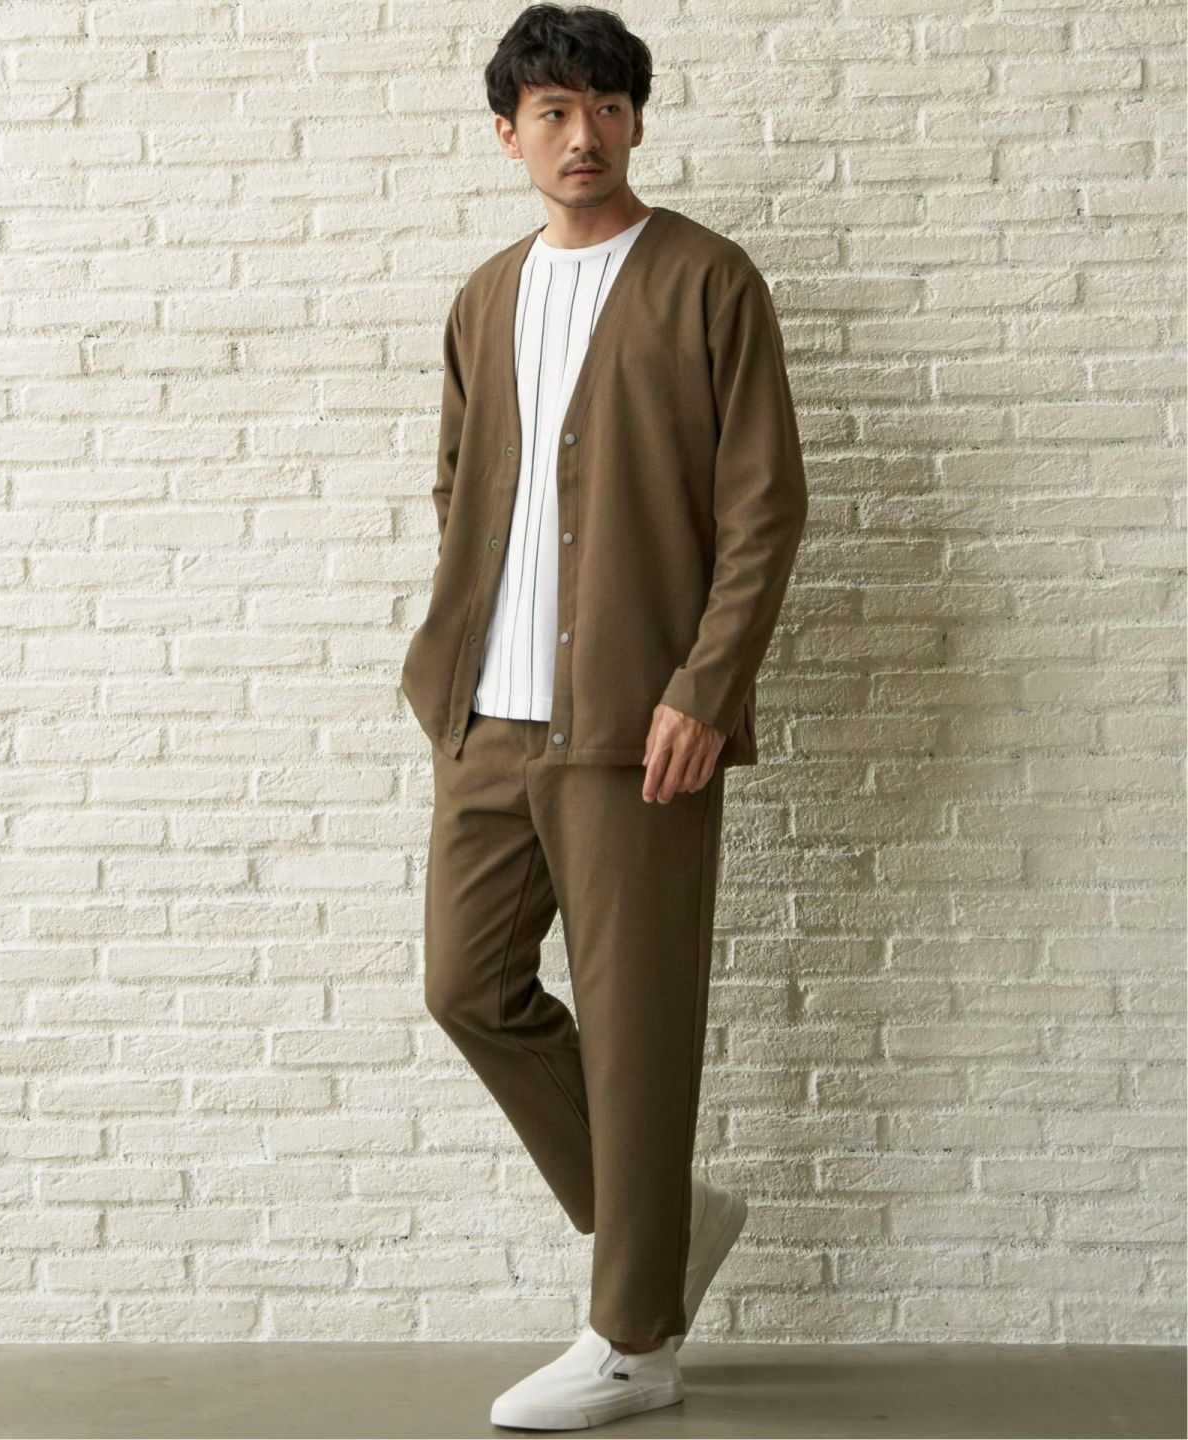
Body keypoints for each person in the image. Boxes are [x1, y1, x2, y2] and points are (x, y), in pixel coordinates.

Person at [400, 3, 808, 1428]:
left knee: (638, 1028)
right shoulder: (485, 298)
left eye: (608, 108)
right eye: (554, 112)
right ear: (507, 133)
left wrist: (705, 686)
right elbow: (461, 486)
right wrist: (453, 671)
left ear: (635, 120)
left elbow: (764, 506)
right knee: (466, 985)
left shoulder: (708, 281)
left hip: (638, 725)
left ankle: (635, 1338)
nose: (584, 135)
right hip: (489, 717)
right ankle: (666, 1221)